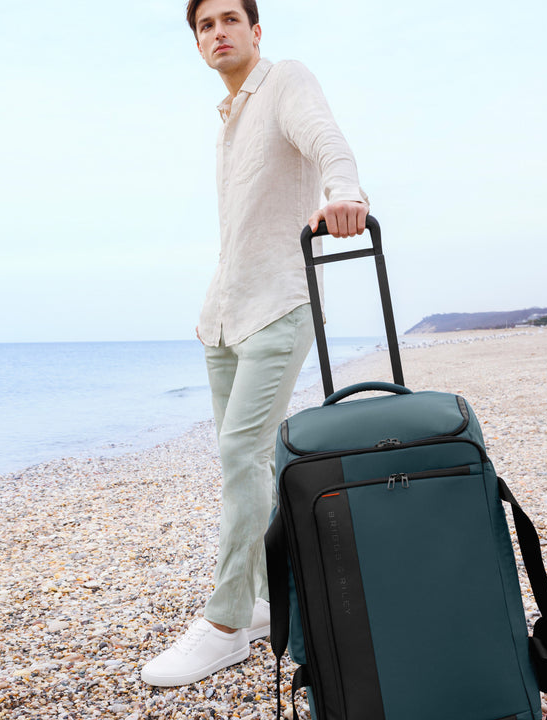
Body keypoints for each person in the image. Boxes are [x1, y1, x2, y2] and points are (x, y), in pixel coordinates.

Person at [141, 0, 369, 687]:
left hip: (279, 301)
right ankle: (269, 600)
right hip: (224, 314)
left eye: (228, 20)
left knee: (242, 452)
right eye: (204, 26)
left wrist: (345, 191)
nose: (217, 33)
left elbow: (329, 142)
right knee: (248, 463)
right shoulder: (227, 120)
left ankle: (224, 624)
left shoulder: (285, 82)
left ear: (255, 30)